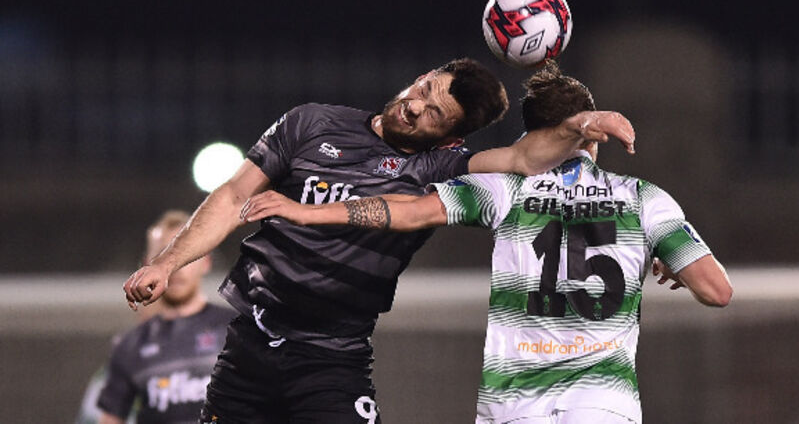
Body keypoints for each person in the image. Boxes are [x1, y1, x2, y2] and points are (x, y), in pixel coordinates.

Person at [123, 58, 635, 423]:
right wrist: (166, 263)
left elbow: (524, 158)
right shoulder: (310, 123)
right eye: (424, 89)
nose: (415, 106)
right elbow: (233, 195)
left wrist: (582, 124)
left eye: (434, 113)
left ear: (450, 139)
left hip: (330, 360)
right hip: (249, 348)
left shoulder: (437, 169)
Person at [241, 60, 733, 424]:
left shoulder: (503, 189)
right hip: (603, 404)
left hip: (514, 404)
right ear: (592, 140)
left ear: (534, 136)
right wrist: (665, 257)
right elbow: (717, 291)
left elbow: (406, 211)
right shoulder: (643, 200)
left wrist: (306, 210)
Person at [95, 210, 235, 424]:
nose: (176, 268)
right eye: (163, 256)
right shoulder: (129, 345)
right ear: (147, 266)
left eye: (185, 256)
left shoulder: (237, 330)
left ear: (205, 262)